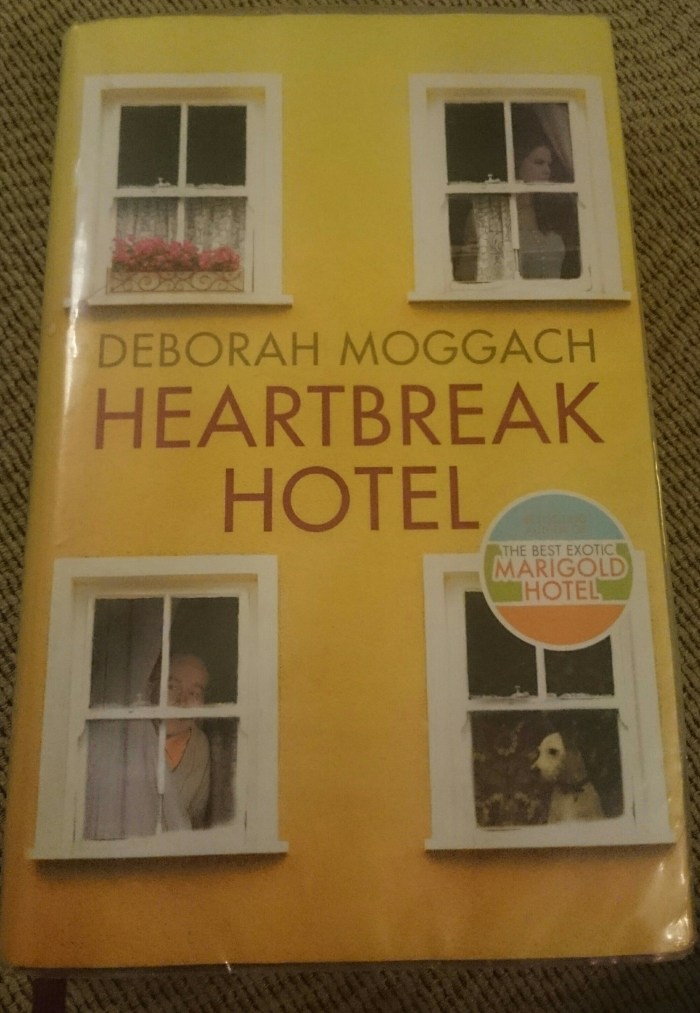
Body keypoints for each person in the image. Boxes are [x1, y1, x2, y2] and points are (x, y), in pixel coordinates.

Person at [161, 654, 212, 828]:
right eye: (172, 687)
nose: (182, 702)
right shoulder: (137, 735)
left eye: (194, 693)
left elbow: (196, 820)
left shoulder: (200, 745)